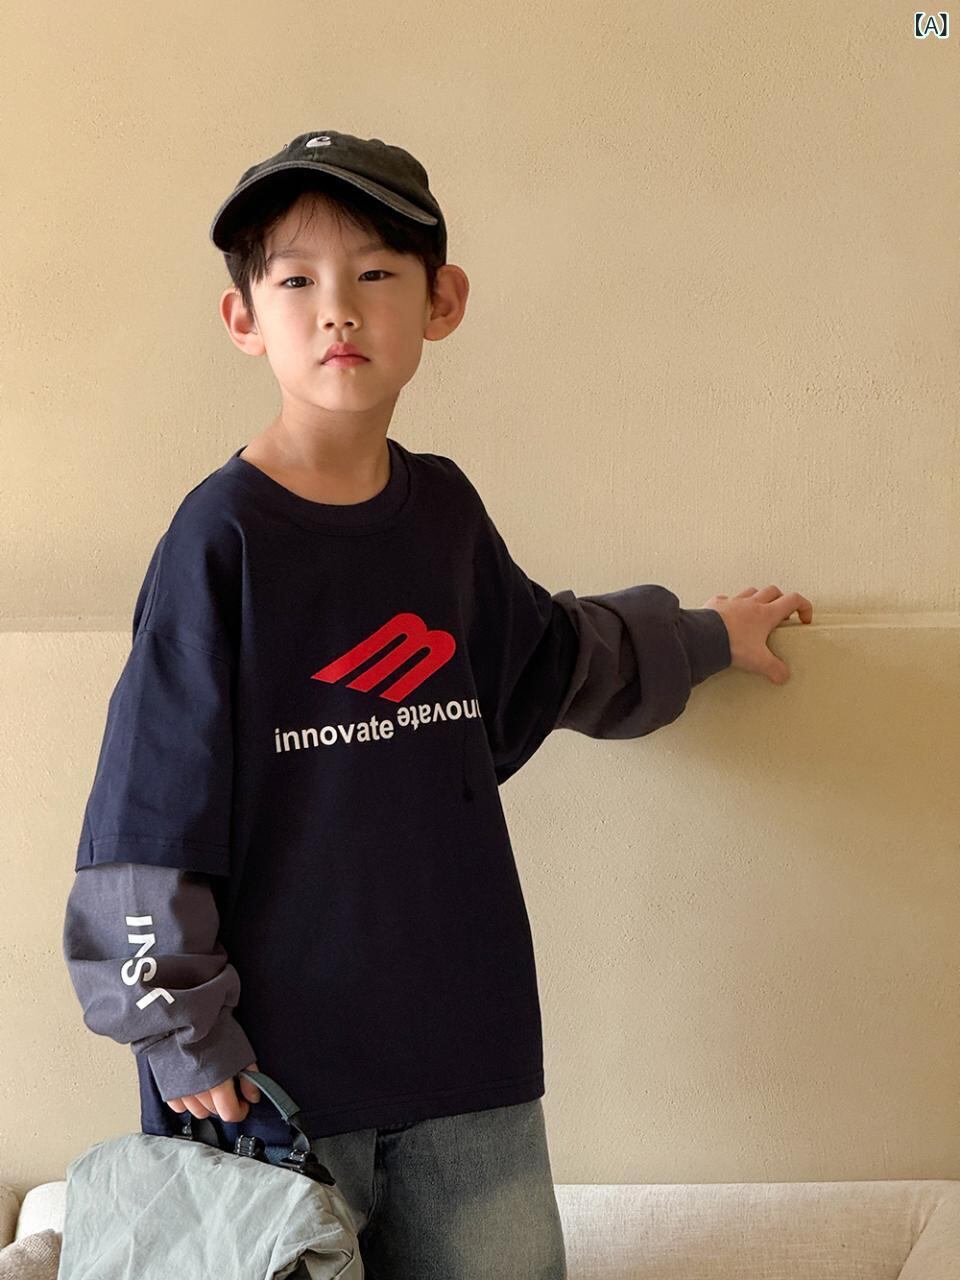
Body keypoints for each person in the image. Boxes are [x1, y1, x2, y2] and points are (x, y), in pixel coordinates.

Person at [62, 130, 813, 1278]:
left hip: (470, 1065)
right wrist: (181, 1035)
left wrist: (709, 634)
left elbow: (554, 657)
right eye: (296, 281)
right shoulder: (222, 543)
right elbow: (142, 822)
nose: (338, 309)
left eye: (375, 272)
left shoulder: (443, 516)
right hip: (267, 1088)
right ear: (243, 319)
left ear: (441, 301)